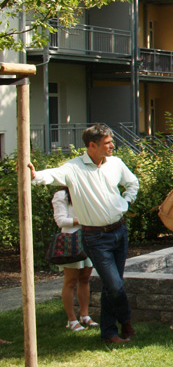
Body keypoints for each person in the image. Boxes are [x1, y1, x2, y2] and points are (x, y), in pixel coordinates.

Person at [29, 123, 139, 344]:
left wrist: (126, 202)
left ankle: (109, 333)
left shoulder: (116, 164)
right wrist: (34, 175)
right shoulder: (73, 168)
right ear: (92, 145)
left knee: (112, 285)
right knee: (115, 285)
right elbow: (52, 175)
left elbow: (132, 183)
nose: (112, 146)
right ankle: (126, 321)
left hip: (119, 231)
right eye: (107, 143)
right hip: (95, 238)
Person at [52, 189, 97, 332]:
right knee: (70, 281)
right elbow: (60, 221)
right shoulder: (61, 195)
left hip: (88, 239)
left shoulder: (87, 192)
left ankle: (85, 315)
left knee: (85, 279)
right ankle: (71, 320)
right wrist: (84, 220)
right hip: (70, 242)